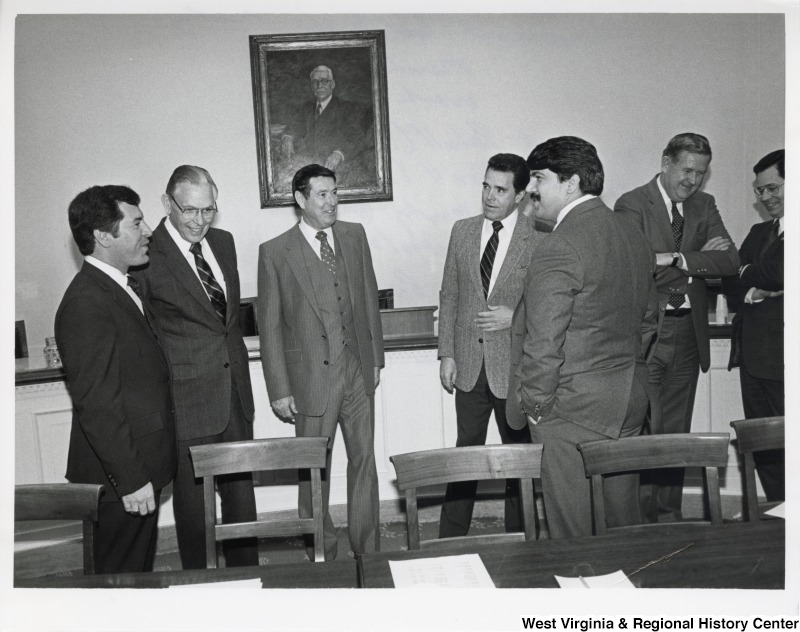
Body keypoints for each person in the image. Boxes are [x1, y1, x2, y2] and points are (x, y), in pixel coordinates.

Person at [511, 136, 657, 538]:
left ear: (571, 182)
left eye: (538, 177)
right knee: (622, 527)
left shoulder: (559, 245)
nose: (530, 189)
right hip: (628, 403)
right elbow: (649, 323)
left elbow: (544, 343)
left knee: (573, 536)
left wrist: (537, 407)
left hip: (570, 412)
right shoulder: (633, 236)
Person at [131, 165, 258, 570]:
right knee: (194, 511)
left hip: (234, 393)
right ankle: (201, 591)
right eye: (189, 210)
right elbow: (142, 335)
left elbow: (227, 324)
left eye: (208, 210)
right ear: (168, 203)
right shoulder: (146, 254)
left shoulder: (224, 242)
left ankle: (248, 581)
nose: (200, 221)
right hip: (186, 401)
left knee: (242, 502)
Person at [257, 164, 384, 560]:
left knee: (364, 461)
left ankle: (368, 550)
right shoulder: (275, 252)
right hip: (310, 378)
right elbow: (271, 327)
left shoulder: (354, 235)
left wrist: (375, 358)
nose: (332, 202)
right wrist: (279, 389)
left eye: (334, 193)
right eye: (322, 195)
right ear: (300, 199)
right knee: (314, 469)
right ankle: (321, 551)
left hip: (357, 371)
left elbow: (368, 296)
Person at [614, 133, 740, 522]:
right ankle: (641, 520)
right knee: (645, 430)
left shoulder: (705, 205)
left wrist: (677, 259)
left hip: (688, 334)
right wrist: (698, 258)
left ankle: (668, 517)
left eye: (701, 174)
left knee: (676, 430)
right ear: (666, 162)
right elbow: (633, 264)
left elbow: (730, 262)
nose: (693, 181)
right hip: (648, 333)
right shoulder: (632, 203)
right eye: (687, 170)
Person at [55, 185, 177, 573]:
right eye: (137, 222)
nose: (148, 231)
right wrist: (131, 479)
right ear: (104, 236)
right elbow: (97, 404)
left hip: (138, 467)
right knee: (118, 583)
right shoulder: (86, 303)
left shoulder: (118, 287)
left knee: (135, 576)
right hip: (123, 479)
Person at [437, 153, 543, 538]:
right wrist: (446, 353)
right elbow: (449, 294)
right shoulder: (462, 231)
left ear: (519, 195)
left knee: (517, 454)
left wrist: (514, 318)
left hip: (514, 367)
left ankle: (521, 538)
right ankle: (449, 540)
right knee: (466, 454)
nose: (490, 196)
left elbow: (547, 305)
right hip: (467, 363)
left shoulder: (538, 239)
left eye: (500, 189)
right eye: (486, 186)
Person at [722, 149, 784, 501]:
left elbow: (779, 272)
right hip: (753, 360)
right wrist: (755, 291)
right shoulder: (760, 232)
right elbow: (731, 281)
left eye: (773, 188)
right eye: (760, 191)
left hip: (786, 363)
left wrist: (748, 272)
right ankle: (779, 510)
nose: (764, 197)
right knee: (763, 446)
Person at [279, 65, 375, 188]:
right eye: (315, 82)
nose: (320, 86)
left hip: (334, 167)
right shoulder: (307, 107)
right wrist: (288, 137)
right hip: (306, 163)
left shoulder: (347, 108)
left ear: (333, 84)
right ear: (311, 86)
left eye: (324, 81)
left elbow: (357, 138)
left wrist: (339, 154)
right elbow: (296, 125)